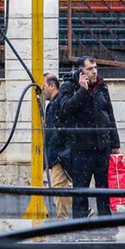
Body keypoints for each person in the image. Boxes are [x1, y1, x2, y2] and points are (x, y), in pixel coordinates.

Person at [57, 56, 120, 218]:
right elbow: (65, 110)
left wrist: (115, 142)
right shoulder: (68, 87)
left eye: (95, 68)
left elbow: (109, 114)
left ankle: (105, 220)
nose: (94, 71)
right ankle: (79, 221)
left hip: (102, 146)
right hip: (81, 148)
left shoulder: (101, 86)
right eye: (90, 69)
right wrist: (82, 91)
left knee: (103, 188)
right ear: (80, 72)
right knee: (81, 189)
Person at [43, 72, 73, 220]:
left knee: (58, 186)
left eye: (44, 87)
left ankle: (78, 210)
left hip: (58, 154)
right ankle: (66, 216)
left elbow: (55, 132)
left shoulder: (57, 103)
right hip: (57, 153)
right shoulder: (55, 103)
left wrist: (54, 154)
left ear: (52, 86)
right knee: (59, 186)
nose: (42, 91)